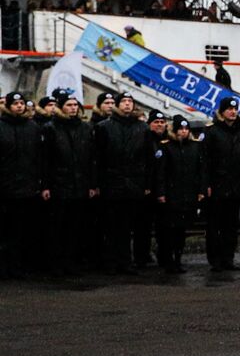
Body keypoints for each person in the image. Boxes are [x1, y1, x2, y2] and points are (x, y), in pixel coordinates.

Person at [92, 93, 149, 274]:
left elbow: (146, 158)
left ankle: (125, 262)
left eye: (130, 101)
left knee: (127, 226)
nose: (127, 104)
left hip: (133, 183)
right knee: (110, 225)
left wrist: (145, 183)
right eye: (123, 101)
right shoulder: (104, 127)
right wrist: (97, 183)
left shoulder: (142, 128)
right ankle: (110, 262)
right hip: (111, 183)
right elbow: (97, 157)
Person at [44, 93, 95, 274]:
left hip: (79, 184)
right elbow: (46, 159)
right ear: (61, 107)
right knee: (58, 226)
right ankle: (55, 263)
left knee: (75, 226)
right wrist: (46, 185)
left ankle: (71, 261)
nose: (73, 108)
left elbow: (90, 158)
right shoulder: (51, 128)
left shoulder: (85, 128)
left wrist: (91, 184)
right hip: (59, 184)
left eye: (75, 105)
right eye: (69, 105)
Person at [0, 91, 47, 279]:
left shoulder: (32, 127)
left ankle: (19, 266)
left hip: (27, 187)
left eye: (21, 103)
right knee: (5, 230)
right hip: (5, 187)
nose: (19, 106)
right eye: (15, 104)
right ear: (8, 106)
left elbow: (39, 157)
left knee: (23, 230)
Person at [203, 97, 240, 272]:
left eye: (235, 109)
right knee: (215, 225)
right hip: (217, 185)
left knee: (231, 225)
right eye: (229, 109)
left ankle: (228, 258)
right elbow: (206, 161)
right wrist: (206, 184)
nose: (233, 112)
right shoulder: (212, 131)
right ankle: (215, 259)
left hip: (235, 185)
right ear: (222, 112)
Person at [154, 116, 205, 274]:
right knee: (170, 229)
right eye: (180, 129)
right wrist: (161, 192)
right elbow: (160, 172)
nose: (184, 131)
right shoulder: (166, 146)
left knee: (181, 230)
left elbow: (200, 170)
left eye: (186, 129)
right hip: (172, 194)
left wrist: (201, 190)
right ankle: (168, 260)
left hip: (188, 194)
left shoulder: (195, 146)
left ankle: (178, 259)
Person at [132, 111, 170, 268]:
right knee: (143, 227)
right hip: (147, 190)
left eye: (162, 122)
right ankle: (141, 258)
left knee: (164, 227)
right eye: (156, 122)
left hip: (164, 190)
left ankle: (164, 257)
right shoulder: (143, 139)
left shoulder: (169, 140)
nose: (159, 124)